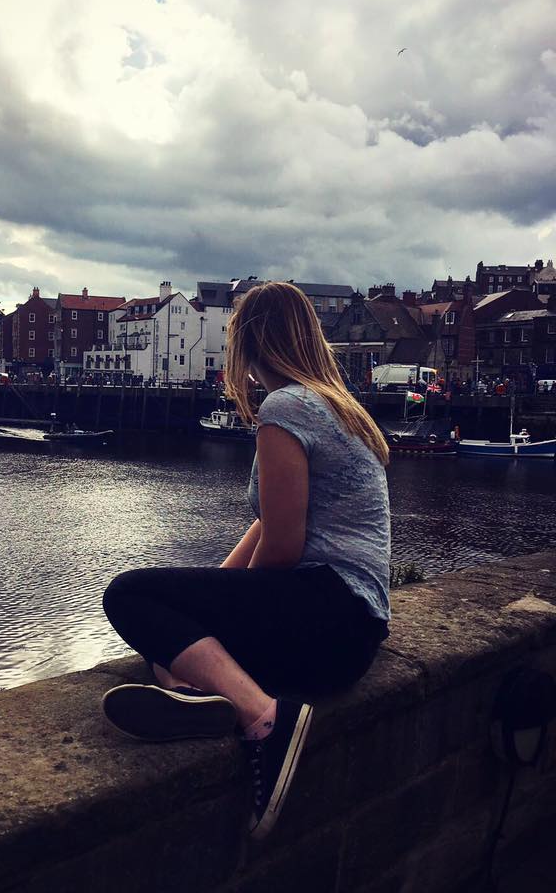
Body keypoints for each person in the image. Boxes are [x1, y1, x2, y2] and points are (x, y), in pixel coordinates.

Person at [100, 282, 392, 841]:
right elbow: (269, 525)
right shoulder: (342, 409)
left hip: (326, 611)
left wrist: (219, 610)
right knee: (173, 651)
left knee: (129, 596)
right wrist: (217, 595)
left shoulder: (287, 406)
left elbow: (283, 547)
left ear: (249, 343)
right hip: (352, 635)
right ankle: (203, 701)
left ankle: (265, 721)